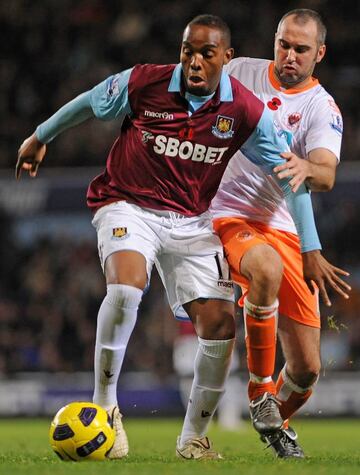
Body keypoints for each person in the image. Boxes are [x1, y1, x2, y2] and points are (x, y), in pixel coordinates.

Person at [17, 14, 331, 461]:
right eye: (188, 51)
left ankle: (194, 438)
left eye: (207, 53)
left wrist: (311, 246)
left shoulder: (243, 109)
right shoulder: (146, 82)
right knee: (126, 286)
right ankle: (106, 410)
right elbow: (90, 102)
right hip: (127, 203)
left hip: (191, 220)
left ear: (227, 57)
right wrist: (40, 135)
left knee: (221, 327)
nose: (195, 62)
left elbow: (290, 174)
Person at [211, 8, 351, 458]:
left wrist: (307, 165)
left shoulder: (321, 107)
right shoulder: (239, 73)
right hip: (227, 213)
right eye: (283, 44)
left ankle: (273, 424)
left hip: (282, 223)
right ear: (274, 41)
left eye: (301, 49)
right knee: (264, 269)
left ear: (320, 53)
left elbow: (325, 175)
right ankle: (259, 392)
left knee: (308, 368)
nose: (289, 56)